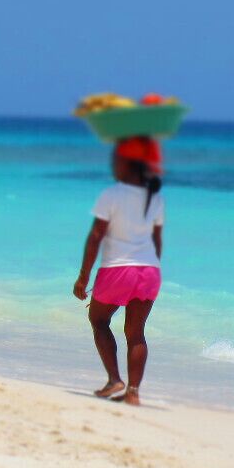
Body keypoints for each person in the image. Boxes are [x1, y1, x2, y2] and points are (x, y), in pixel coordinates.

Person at [73, 136, 165, 406]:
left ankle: (115, 380)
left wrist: (83, 277)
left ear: (126, 165)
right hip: (148, 270)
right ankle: (133, 392)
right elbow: (156, 241)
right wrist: (150, 270)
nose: (113, 165)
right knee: (136, 333)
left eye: (116, 160)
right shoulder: (155, 198)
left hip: (118, 269)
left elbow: (95, 236)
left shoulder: (111, 195)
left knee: (99, 320)